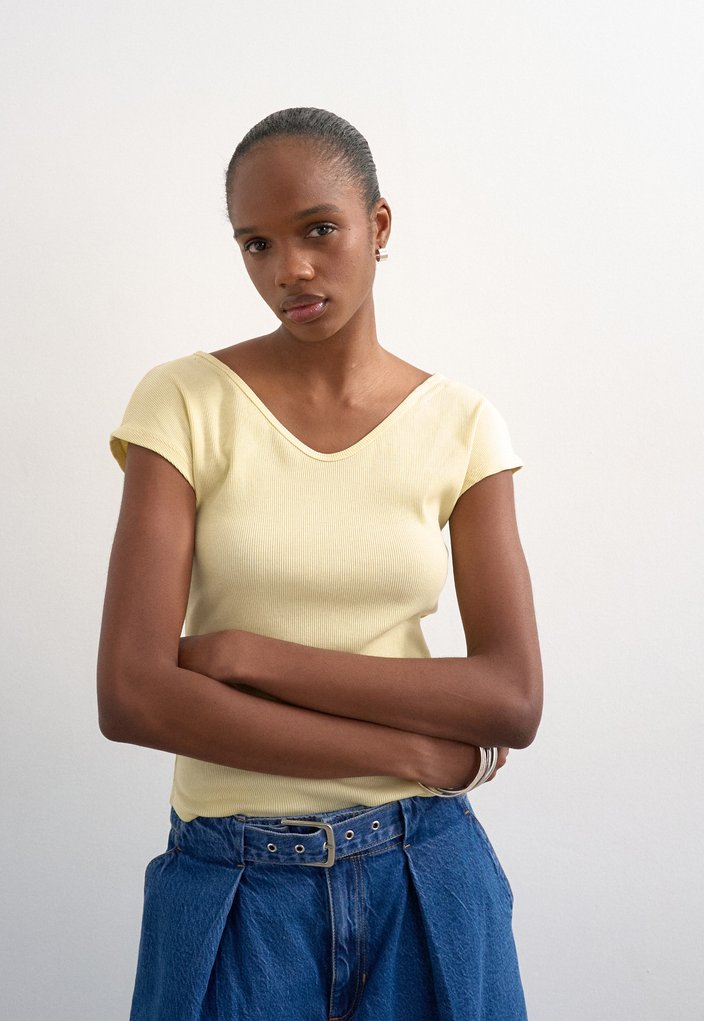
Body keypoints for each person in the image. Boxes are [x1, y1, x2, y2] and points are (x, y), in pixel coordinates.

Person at [98, 106, 543, 1020]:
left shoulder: (463, 425)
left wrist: (250, 655)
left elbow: (512, 697)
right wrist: (405, 750)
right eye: (256, 243)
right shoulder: (183, 401)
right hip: (234, 889)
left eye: (318, 230)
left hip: (425, 873)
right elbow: (132, 695)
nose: (289, 269)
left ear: (378, 226)